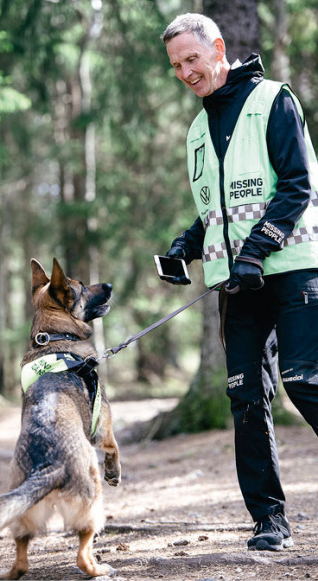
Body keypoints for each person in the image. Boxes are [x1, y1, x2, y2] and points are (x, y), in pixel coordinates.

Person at [159, 13, 318, 551]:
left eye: (191, 59)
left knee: (304, 382)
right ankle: (269, 521)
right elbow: (216, 210)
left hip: (293, 268)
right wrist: (184, 245)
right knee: (246, 399)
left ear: (218, 48)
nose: (185, 72)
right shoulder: (197, 130)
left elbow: (297, 186)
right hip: (237, 284)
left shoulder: (274, 100)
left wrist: (256, 250)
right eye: (176, 65)